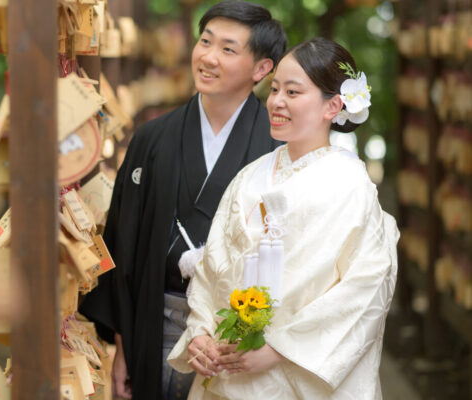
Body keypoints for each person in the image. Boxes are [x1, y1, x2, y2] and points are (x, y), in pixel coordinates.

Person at [166, 37, 400, 399]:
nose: (276, 101)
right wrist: (200, 332)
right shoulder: (251, 176)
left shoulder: (352, 185)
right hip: (231, 367)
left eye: (293, 92)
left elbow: (363, 291)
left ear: (333, 105)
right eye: (274, 89)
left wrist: (278, 350)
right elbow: (214, 266)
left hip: (298, 371)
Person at [79, 2, 286, 399]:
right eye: (205, 41)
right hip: (158, 328)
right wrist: (123, 349)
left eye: (228, 49)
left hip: (241, 339)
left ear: (262, 69)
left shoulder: (278, 147)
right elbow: (123, 248)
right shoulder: (152, 139)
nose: (207, 57)